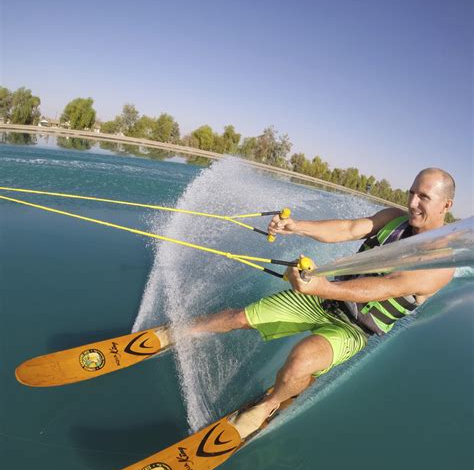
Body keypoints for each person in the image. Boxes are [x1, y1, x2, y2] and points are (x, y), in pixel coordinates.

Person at [187, 168, 456, 439]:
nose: (412, 203)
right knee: (237, 318)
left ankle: (269, 405)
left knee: (300, 361)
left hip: (352, 328)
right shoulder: (392, 219)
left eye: (424, 197)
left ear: (446, 205)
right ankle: (182, 331)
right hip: (322, 298)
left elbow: (387, 287)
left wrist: (325, 286)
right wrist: (296, 227)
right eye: (411, 193)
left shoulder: (441, 264)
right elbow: (346, 229)